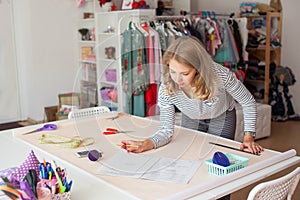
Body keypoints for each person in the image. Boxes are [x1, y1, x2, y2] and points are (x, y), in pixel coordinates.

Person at [121, 36, 263, 155]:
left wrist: (249, 137)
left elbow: (248, 101)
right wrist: (147, 144)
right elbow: (166, 131)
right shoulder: (167, 86)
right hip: (191, 116)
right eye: (173, 71)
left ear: (198, 68)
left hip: (222, 115)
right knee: (191, 153)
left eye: (185, 73)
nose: (177, 79)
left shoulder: (220, 75)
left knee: (218, 155)